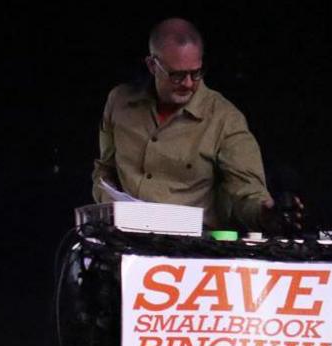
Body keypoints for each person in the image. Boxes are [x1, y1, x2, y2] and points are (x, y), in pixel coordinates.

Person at [92, 18, 301, 232]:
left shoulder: (225, 118)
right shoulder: (119, 102)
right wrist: (110, 208)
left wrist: (265, 214)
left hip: (191, 250)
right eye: (177, 75)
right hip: (124, 240)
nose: (189, 83)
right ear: (152, 65)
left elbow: (246, 191)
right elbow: (104, 170)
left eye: (196, 73)